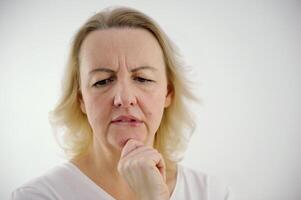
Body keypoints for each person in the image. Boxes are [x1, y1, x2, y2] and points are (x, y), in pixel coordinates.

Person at [11, 6, 229, 200]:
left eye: (142, 79)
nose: (124, 98)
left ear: (168, 93)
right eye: (103, 81)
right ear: (81, 100)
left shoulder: (211, 193)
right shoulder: (39, 195)